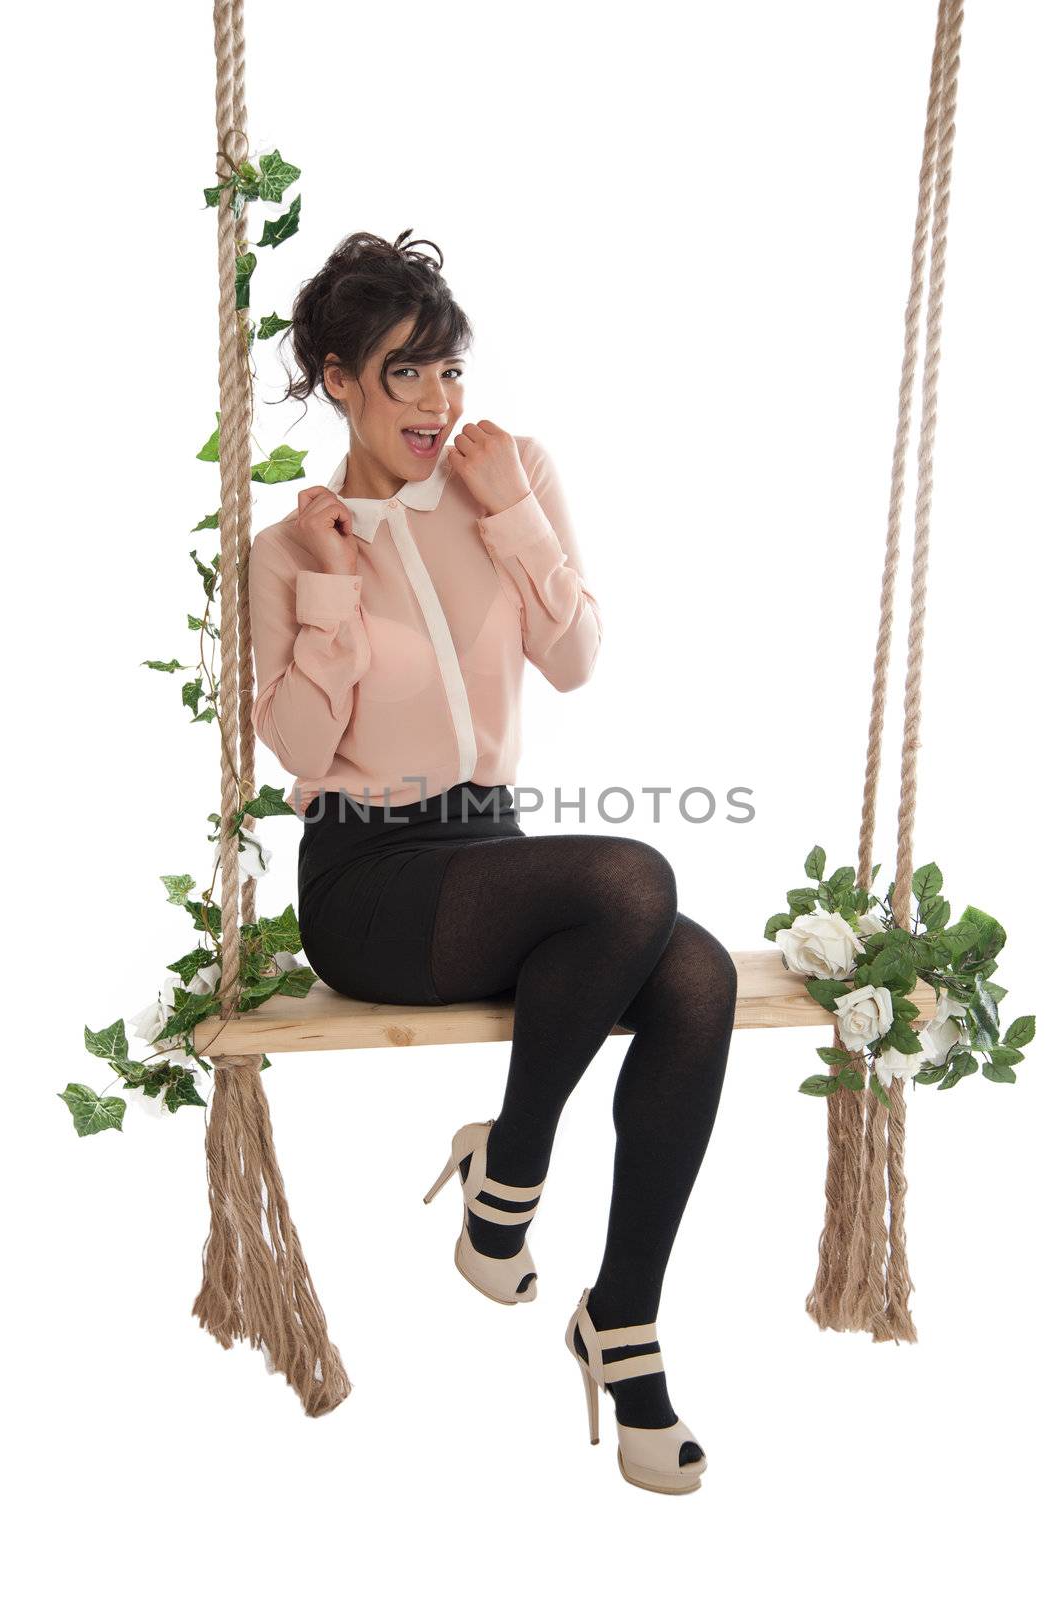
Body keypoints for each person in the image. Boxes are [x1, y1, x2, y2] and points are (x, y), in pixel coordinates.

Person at [248, 228, 738, 1494]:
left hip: (497, 861)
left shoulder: (507, 477)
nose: (437, 401)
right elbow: (296, 745)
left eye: (450, 369)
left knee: (693, 974)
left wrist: (513, 516)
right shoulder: (290, 552)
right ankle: (508, 1179)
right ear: (339, 378)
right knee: (630, 878)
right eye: (405, 373)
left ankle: (621, 1322)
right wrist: (329, 604)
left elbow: (572, 661)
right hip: (372, 883)